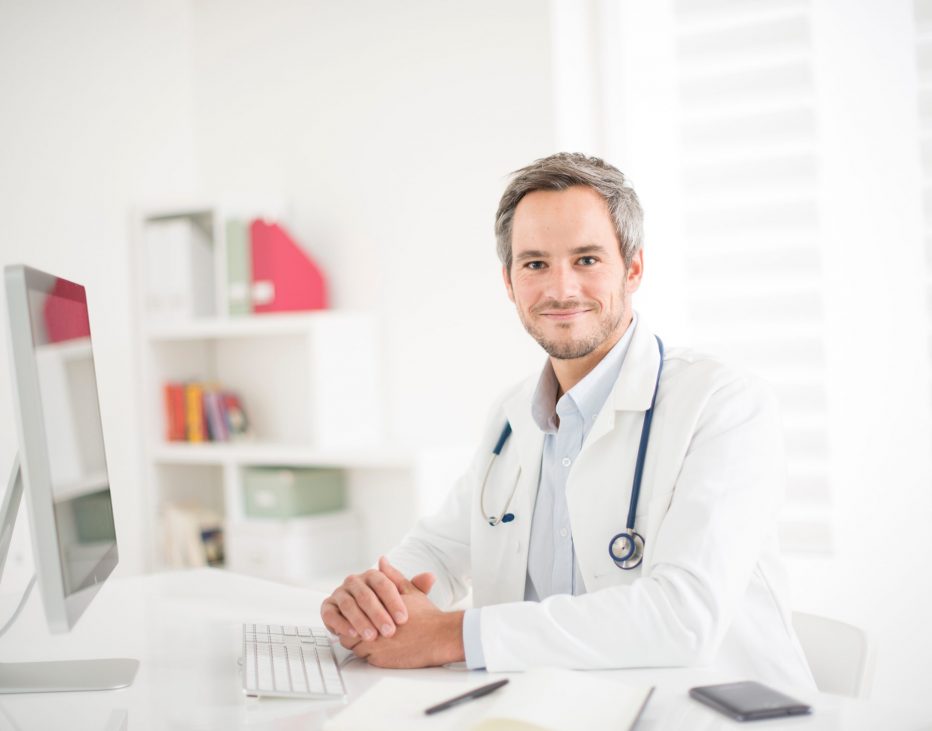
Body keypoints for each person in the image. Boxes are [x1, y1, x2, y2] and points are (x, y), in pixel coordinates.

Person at [320, 153, 815, 688]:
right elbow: (440, 548)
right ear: (508, 281)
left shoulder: (724, 404)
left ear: (634, 268)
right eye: (535, 264)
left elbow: (682, 618)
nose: (560, 289)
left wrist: (447, 635)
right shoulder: (512, 417)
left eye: (586, 260)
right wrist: (377, 604)